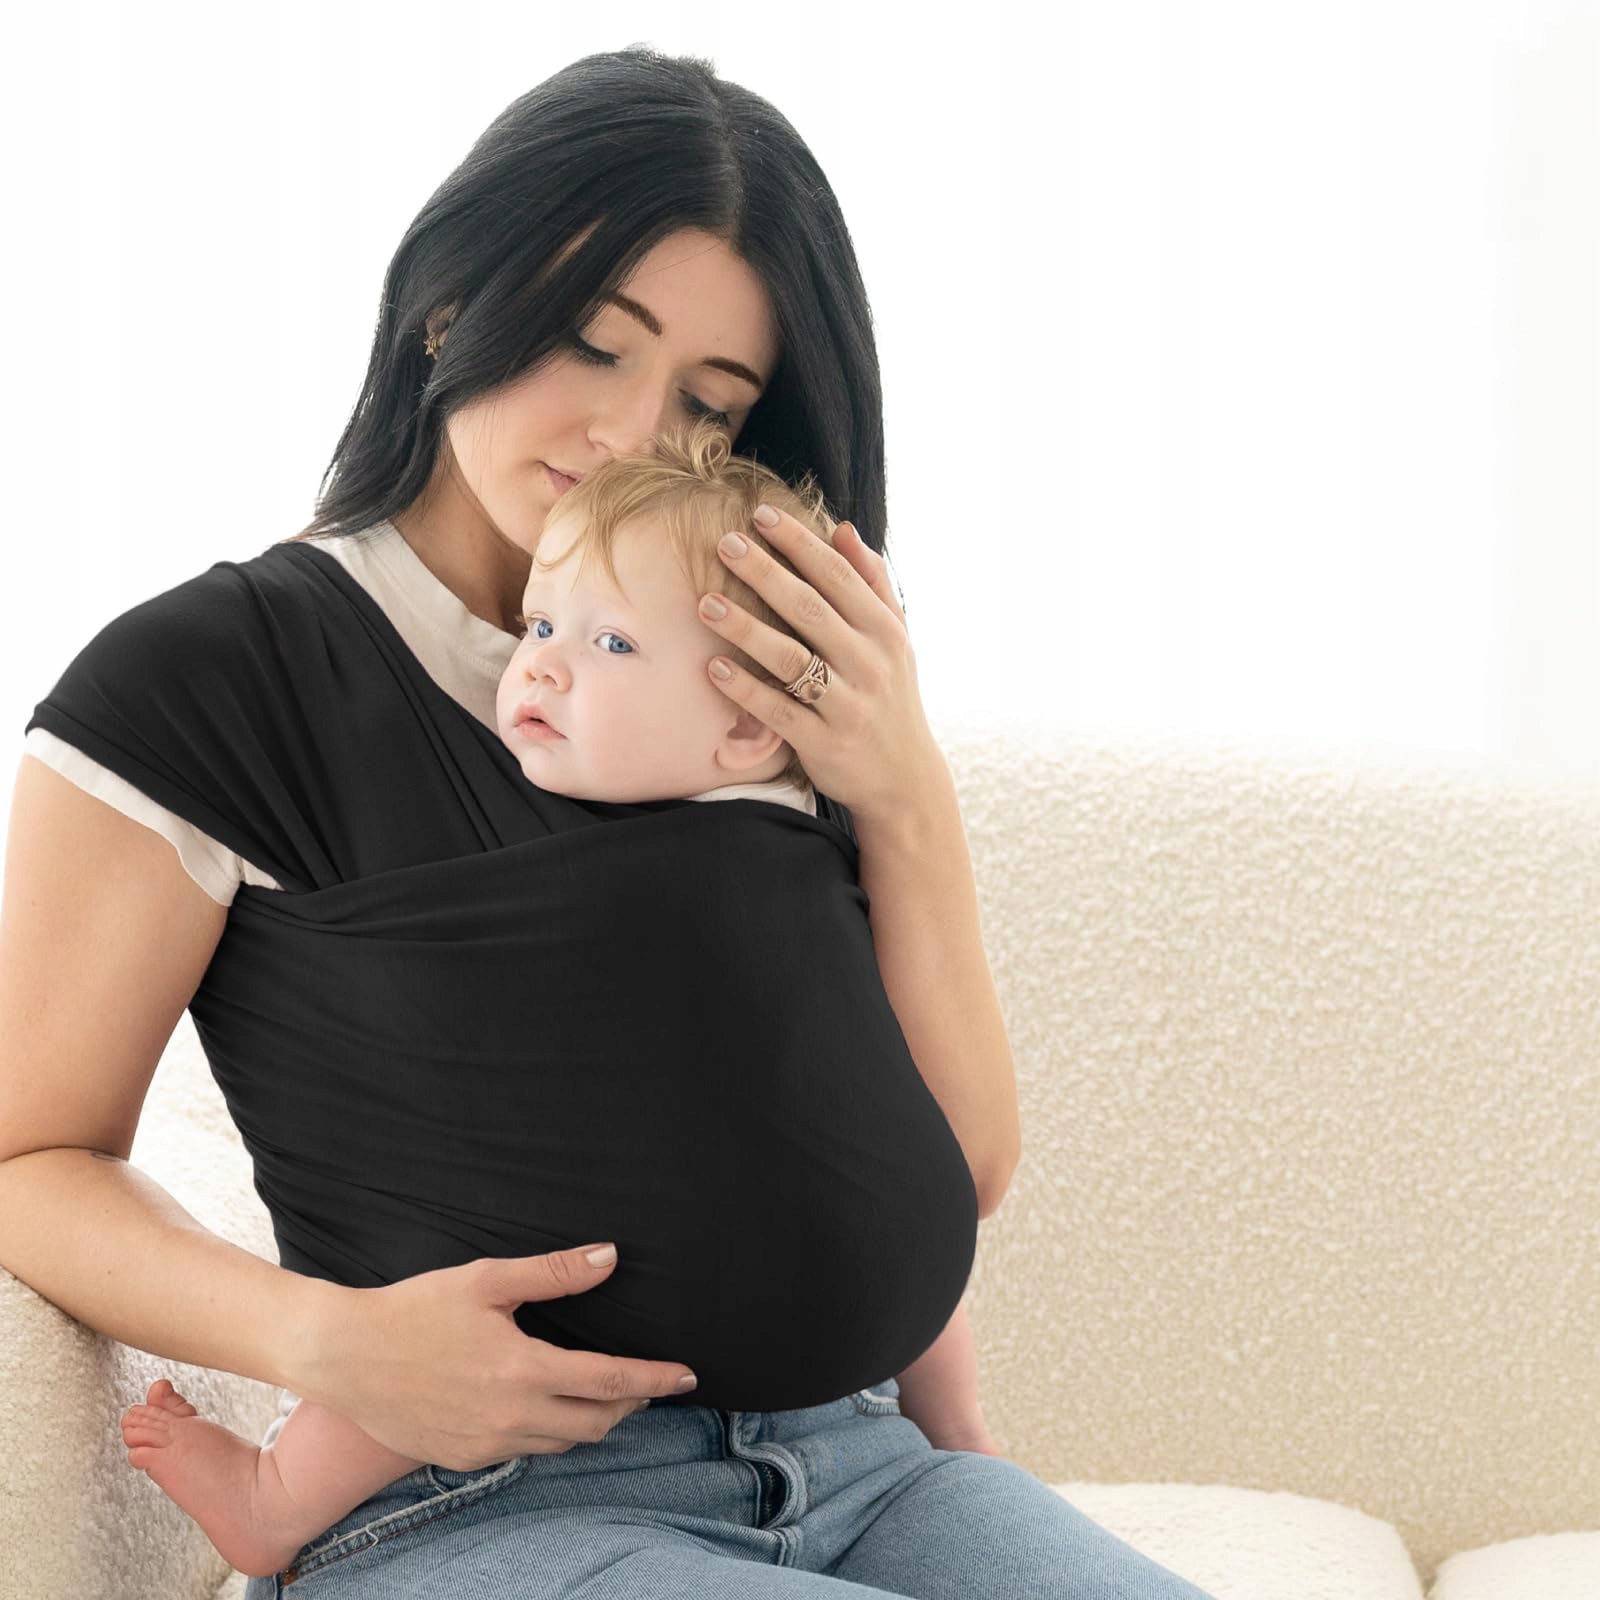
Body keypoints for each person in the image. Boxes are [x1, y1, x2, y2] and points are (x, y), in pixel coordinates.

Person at [0, 46, 1219, 1599]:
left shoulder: (754, 684)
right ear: (451, 304)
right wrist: (328, 1343)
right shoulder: (212, 678)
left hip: (865, 1465)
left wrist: (904, 786)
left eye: (710, 405)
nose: (636, 433)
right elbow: (27, 1154)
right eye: (592, 342)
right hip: (475, 1502)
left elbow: (958, 1169)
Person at [115, 417, 1002, 1579]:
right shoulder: (505, 864)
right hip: (505, 1407)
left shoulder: (813, 841)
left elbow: (913, 1138)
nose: (537, 663)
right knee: (482, 1266)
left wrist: (951, 1419)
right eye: (539, 623)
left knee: (877, 1176)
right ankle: (277, 1495)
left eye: (610, 642)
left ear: (748, 723)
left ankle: (964, 1429)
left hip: (864, 1422)